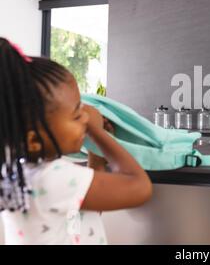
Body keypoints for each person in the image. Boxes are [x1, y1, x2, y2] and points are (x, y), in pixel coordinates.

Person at [0, 38, 152, 244]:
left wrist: (95, 160)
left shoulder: (18, 174)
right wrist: (98, 132)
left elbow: (80, 219)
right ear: (34, 140)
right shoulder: (51, 178)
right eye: (76, 114)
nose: (85, 117)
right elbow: (139, 187)